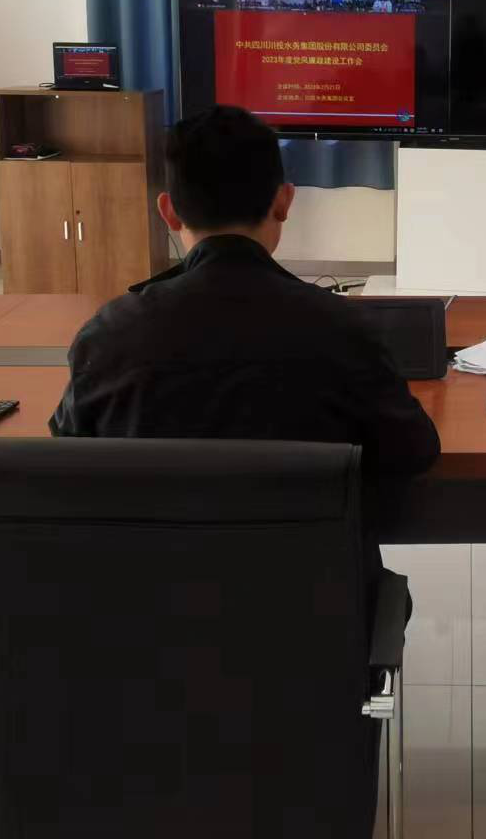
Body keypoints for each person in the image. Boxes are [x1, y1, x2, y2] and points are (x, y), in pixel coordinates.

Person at [51, 104, 441, 594]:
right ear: (284, 201)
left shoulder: (107, 335)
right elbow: (413, 452)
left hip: (149, 614)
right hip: (310, 616)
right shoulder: (343, 328)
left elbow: (67, 457)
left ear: (169, 211)